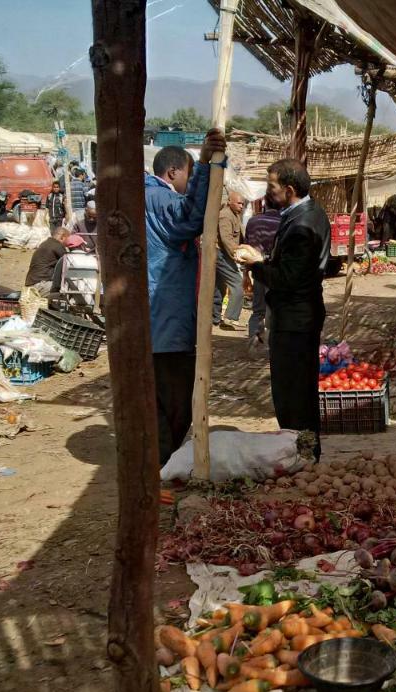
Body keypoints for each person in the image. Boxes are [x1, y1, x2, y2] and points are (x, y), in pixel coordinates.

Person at [145, 131, 224, 466]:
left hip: (161, 316)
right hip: (166, 318)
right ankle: (163, 463)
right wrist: (206, 164)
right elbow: (190, 216)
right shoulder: (159, 200)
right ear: (174, 172)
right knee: (174, 400)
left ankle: (162, 458)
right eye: (189, 174)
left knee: (164, 397)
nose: (189, 180)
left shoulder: (146, 198)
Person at [248, 158, 331, 460]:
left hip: (295, 319)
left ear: (290, 189)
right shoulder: (306, 214)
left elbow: (288, 279)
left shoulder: (303, 224)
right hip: (300, 316)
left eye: (272, 186)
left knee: (292, 395)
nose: (268, 192)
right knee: (299, 393)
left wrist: (255, 264)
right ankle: (305, 453)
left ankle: (302, 456)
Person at [243, 194, 283, 347]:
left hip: (257, 270)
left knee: (258, 309)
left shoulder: (253, 222)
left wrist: (246, 273)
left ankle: (254, 342)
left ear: (265, 204)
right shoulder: (283, 223)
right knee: (272, 308)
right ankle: (272, 344)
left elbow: (247, 249)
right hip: (274, 271)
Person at [214, 190, 247, 330]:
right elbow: (226, 239)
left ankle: (214, 318)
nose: (241, 206)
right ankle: (230, 318)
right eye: (239, 203)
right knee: (238, 285)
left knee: (219, 287)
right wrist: (238, 255)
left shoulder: (234, 214)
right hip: (221, 254)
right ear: (230, 202)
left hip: (222, 255)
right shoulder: (226, 216)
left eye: (243, 203)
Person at [25, 226, 71, 294]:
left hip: (32, 282)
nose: (68, 243)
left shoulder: (46, 243)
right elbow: (69, 263)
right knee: (70, 289)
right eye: (68, 239)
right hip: (40, 285)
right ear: (62, 237)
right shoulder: (57, 246)